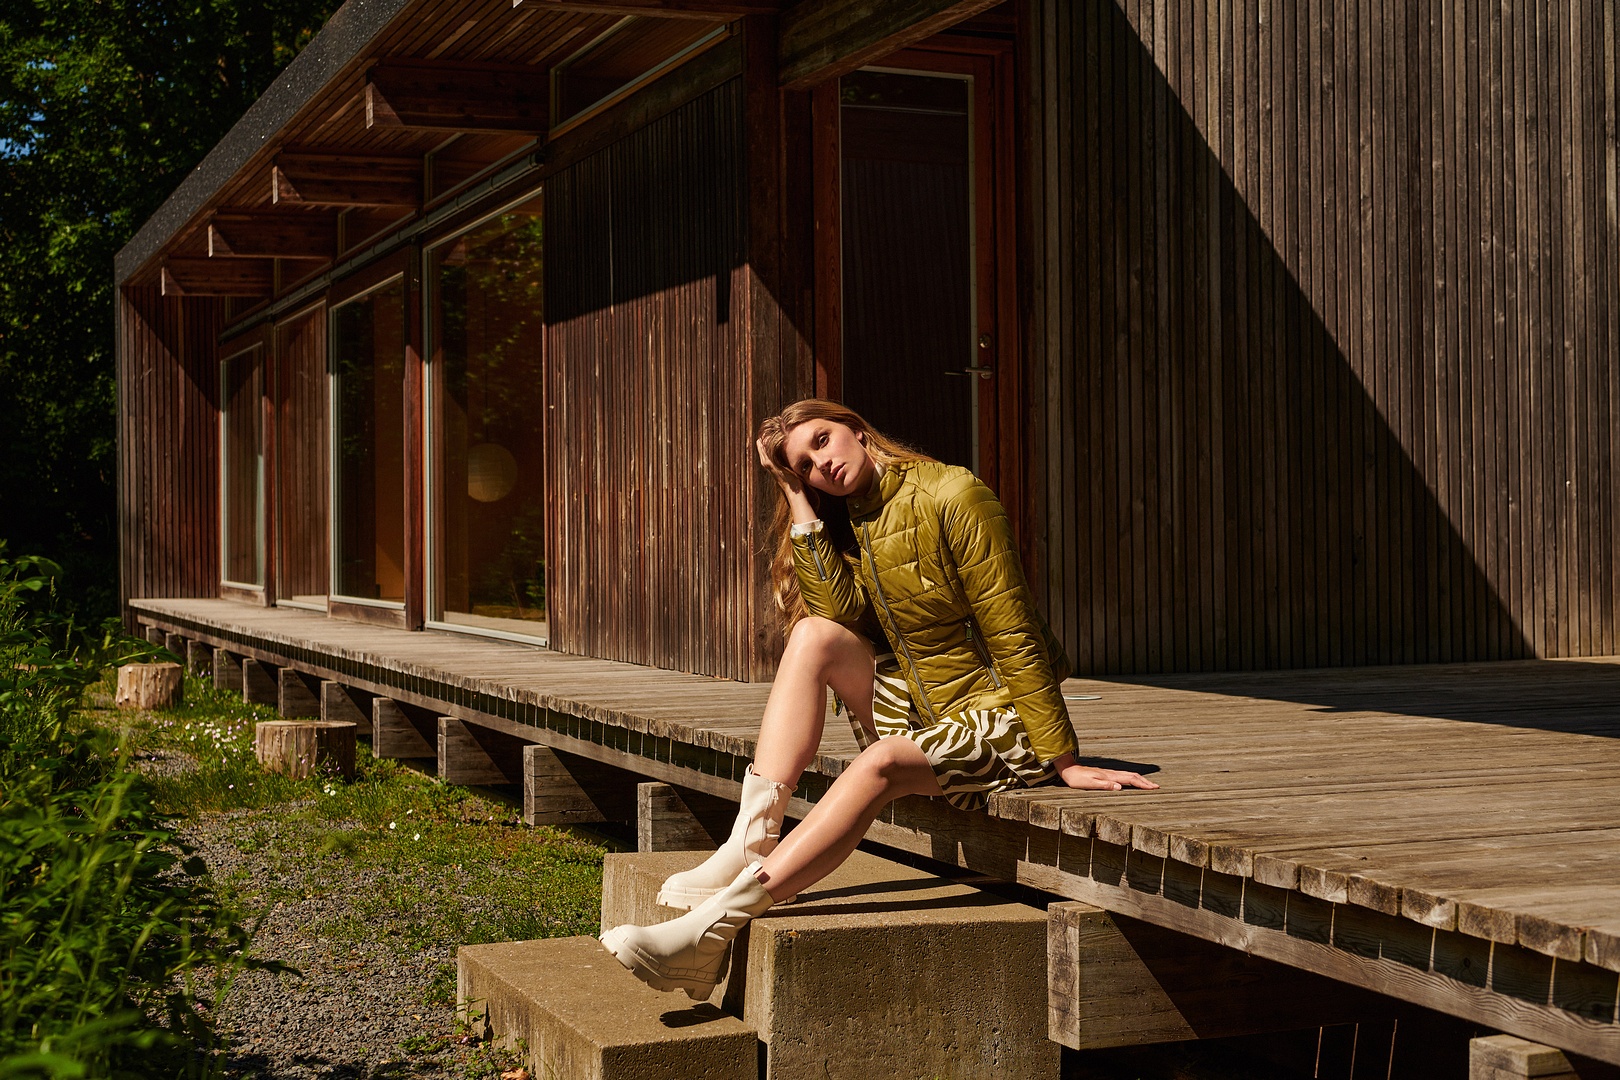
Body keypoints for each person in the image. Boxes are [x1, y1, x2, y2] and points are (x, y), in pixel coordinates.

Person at [600, 399, 1157, 998]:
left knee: (880, 762)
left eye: (822, 440)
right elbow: (837, 615)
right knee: (812, 635)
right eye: (804, 465)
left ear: (856, 430)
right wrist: (797, 499)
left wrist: (1064, 761)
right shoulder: (855, 517)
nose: (821, 464)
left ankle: (712, 929)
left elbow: (1013, 630)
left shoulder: (954, 494)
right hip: (923, 706)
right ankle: (749, 843)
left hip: (1005, 713)